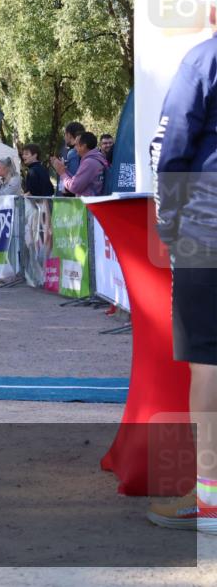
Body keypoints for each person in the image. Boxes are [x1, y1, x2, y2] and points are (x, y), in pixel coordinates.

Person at [147, 30, 217, 535]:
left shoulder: (203, 59)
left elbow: (170, 149)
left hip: (207, 232)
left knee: (209, 363)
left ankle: (210, 500)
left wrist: (169, 223)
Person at [50, 132, 109, 197]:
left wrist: (62, 173)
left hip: (87, 203)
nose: (75, 148)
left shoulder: (89, 163)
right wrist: (63, 169)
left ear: (83, 146)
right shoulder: (93, 160)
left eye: (76, 145)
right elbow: (77, 181)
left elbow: (74, 187)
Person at [57, 121, 85, 196]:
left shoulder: (73, 153)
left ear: (69, 135)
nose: (64, 137)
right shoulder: (86, 151)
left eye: (64, 134)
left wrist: (62, 170)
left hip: (73, 197)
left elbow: (73, 180)